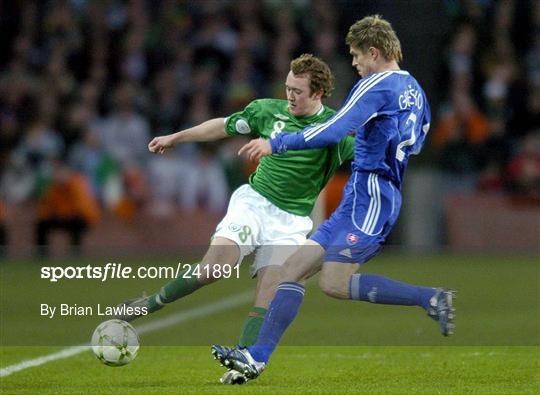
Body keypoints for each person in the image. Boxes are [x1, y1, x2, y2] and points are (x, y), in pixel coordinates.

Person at [211, 15, 455, 380]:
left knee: (334, 283)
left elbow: (334, 129)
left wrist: (276, 143)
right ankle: (255, 359)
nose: (354, 64)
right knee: (291, 270)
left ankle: (430, 298)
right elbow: (419, 138)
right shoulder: (413, 89)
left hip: (372, 195)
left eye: (356, 56)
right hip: (364, 191)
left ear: (374, 52)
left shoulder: (376, 85)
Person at [117, 54, 354, 384]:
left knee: (270, 291)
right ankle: (148, 303)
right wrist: (176, 137)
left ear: (318, 93)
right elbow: (224, 125)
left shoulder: (336, 131)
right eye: (287, 88)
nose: (290, 96)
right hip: (254, 203)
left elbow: (371, 156)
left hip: (291, 221)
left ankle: (242, 360)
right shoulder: (266, 111)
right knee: (214, 268)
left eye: (297, 91)